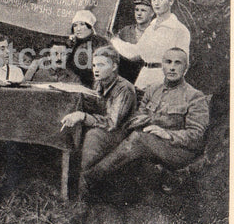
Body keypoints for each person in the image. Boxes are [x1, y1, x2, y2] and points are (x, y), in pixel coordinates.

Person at [81, 48, 209, 195]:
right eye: (168, 62)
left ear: (186, 67)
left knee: (137, 138)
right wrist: (148, 121)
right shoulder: (153, 90)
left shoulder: (195, 96)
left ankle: (90, 178)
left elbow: (197, 135)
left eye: (177, 63)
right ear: (162, 65)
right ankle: (99, 187)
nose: (172, 67)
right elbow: (137, 117)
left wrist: (166, 133)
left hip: (178, 151)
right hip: (151, 143)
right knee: (124, 136)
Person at [60, 46, 136, 194]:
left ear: (114, 66)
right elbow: (96, 105)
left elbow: (112, 123)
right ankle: (69, 184)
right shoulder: (99, 83)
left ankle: (83, 190)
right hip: (104, 128)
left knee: (92, 136)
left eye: (101, 65)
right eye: (94, 65)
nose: (96, 69)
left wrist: (83, 116)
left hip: (120, 135)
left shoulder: (124, 89)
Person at [111, 0, 190, 91]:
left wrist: (171, 86)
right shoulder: (151, 28)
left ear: (171, 1)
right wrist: (113, 40)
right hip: (144, 78)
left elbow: (183, 63)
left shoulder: (179, 29)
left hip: (162, 80)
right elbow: (135, 52)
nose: (156, 3)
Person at [116, 0, 154, 83]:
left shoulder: (155, 33)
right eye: (137, 10)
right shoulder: (125, 31)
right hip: (124, 78)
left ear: (152, 13)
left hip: (145, 79)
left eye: (143, 10)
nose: (139, 13)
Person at [68, 10, 110, 88]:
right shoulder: (73, 43)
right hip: (74, 84)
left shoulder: (100, 43)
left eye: (82, 24)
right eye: (75, 25)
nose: (78, 29)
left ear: (90, 26)